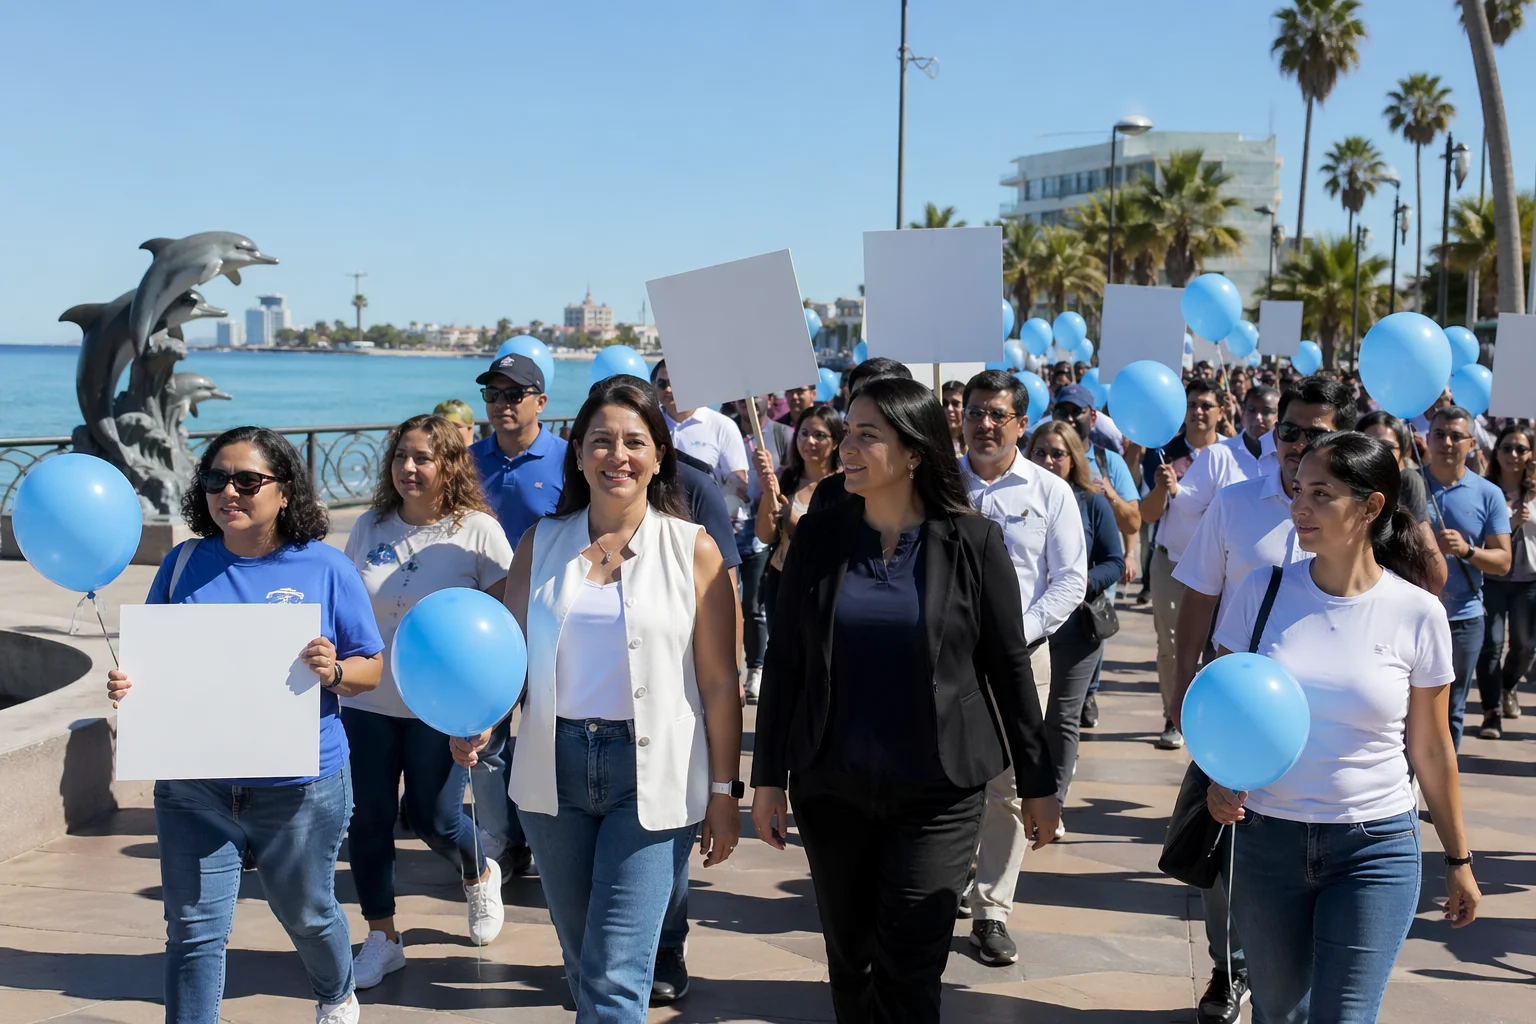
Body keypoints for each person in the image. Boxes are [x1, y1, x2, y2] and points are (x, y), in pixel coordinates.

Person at [751, 376, 1059, 1023]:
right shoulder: (818, 538)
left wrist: (1038, 783)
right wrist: (768, 781)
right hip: (832, 789)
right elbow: (785, 663)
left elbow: (1008, 667)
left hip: (938, 793)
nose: (847, 449)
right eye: (848, 433)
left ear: (914, 452)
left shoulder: (972, 543)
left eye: (868, 436)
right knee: (852, 960)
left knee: (912, 965)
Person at [452, 375, 743, 1023]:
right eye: (601, 441)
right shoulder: (541, 544)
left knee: (615, 978)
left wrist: (725, 793)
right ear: (576, 453)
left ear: (659, 455)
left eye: (635, 442)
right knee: (585, 964)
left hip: (653, 776)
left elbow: (722, 681)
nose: (618, 455)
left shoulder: (692, 549)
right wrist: (479, 718)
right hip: (552, 773)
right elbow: (514, 659)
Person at [106, 426, 385, 1024]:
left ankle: (336, 996)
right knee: (192, 931)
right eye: (214, 479)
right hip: (193, 786)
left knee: (308, 913)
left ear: (284, 492)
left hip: (300, 786)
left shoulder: (326, 568)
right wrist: (131, 684)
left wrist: (333, 670)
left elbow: (372, 669)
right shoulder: (183, 564)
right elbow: (154, 659)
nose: (228, 492)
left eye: (247, 480)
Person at [1207, 432, 1481, 1024]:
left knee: (1345, 1016)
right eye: (1297, 492)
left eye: (1321, 494)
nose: (1299, 508)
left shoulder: (1418, 613)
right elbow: (1222, 708)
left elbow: (1432, 749)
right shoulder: (1261, 590)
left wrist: (1458, 859)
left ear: (1371, 505)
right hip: (1267, 840)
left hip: (1374, 849)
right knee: (1278, 1012)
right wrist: (1217, 777)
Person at [1170, 375, 1357, 1024]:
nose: (1299, 443)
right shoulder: (1234, 503)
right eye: (1289, 430)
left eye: (1317, 433)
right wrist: (1180, 687)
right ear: (1271, 432)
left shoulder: (1364, 517)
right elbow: (1198, 594)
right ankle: (1228, 972)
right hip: (1240, 722)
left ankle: (1281, 982)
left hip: (1331, 735)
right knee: (1226, 859)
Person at [341, 414, 512, 989]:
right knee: (367, 821)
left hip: (440, 706)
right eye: (400, 457)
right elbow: (347, 607)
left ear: (449, 465)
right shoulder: (370, 525)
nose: (408, 468)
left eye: (423, 458)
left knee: (434, 818)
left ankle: (479, 872)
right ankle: (383, 936)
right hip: (368, 699)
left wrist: (486, 712)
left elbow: (501, 629)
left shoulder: (479, 533)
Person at [956, 369, 1086, 965]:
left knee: (1007, 787)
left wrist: (1015, 636)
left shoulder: (1049, 492)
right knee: (944, 777)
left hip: (1020, 661)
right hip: (942, 660)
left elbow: (1069, 582)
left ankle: (992, 911)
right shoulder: (936, 484)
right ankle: (941, 886)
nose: (984, 424)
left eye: (997, 415)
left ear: (1020, 424)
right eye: (975, 411)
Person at [469, 351, 568, 879]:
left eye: (513, 395)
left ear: (541, 402)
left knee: (547, 733)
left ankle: (545, 836)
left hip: (549, 620)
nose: (501, 404)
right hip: (482, 626)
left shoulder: (568, 460)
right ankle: (498, 844)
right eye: (492, 394)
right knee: (486, 738)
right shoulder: (467, 461)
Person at [1024, 421, 1123, 812]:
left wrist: (1079, 584)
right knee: (1028, 716)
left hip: (1077, 628)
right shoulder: (1019, 498)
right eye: (1040, 452)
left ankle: (1055, 799)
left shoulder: (1092, 502)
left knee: (1062, 717)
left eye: (1057, 453)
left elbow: (1114, 561)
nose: (1048, 461)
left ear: (1072, 459)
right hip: (1027, 626)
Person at [1139, 377, 1225, 749]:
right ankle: (1174, 717)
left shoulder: (1233, 455)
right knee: (1172, 646)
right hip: (1172, 566)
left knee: (1223, 649)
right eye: (1192, 405)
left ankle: (1218, 720)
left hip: (1225, 572)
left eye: (1207, 405)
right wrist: (1162, 488)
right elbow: (1146, 515)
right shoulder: (1161, 453)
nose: (1199, 412)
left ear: (1221, 411)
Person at [1423, 405, 1512, 748]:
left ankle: (1440, 794)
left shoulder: (1488, 494)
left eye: (1456, 436)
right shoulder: (1409, 484)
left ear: (1472, 443)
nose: (1447, 442)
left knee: (1451, 710)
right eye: (1439, 434)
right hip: (1413, 616)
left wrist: (1467, 551)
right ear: (1427, 438)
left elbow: (1503, 561)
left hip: (1463, 620)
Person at [752, 403, 844, 644]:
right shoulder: (786, 479)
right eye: (803, 433)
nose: (809, 441)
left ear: (835, 442)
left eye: (819, 435)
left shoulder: (846, 485)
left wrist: (794, 521)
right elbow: (764, 535)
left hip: (825, 584)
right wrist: (767, 489)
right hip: (782, 581)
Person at [1475, 423, 1536, 738]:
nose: (1513, 455)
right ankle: (1491, 713)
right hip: (1493, 579)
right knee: (1492, 645)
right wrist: (1510, 524)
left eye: (1521, 449)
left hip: (1529, 581)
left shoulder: (1535, 490)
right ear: (1495, 452)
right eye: (1507, 448)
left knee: (1525, 647)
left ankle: (1508, 686)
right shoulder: (1485, 491)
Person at [805, 357, 914, 515]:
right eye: (856, 395)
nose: (846, 448)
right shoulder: (829, 494)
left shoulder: (947, 525)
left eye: (868, 434)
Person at [1357, 410, 1449, 592]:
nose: (1379, 454)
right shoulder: (1346, 490)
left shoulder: (1409, 482)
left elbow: (1437, 578)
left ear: (1405, 450)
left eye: (1388, 447)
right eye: (1371, 446)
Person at [650, 359, 749, 496]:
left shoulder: (722, 425)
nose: (668, 389)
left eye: (674, 383)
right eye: (662, 384)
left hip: (707, 513)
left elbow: (739, 481)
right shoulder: (649, 423)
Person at [941, 379, 966, 454]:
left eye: (955, 403)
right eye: (944, 403)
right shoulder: (932, 443)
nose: (949, 409)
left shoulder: (975, 443)